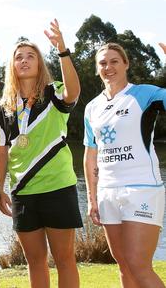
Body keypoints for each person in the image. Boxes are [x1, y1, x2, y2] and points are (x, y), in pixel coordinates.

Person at [0, 19, 81, 288]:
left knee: (64, 259)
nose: (24, 60)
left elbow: (73, 91)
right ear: (12, 66)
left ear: (40, 63)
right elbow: (0, 150)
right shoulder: (4, 107)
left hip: (58, 187)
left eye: (31, 56)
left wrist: (63, 50)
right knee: (35, 261)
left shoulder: (53, 92)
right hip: (23, 192)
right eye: (19, 57)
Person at [83, 42, 166, 288]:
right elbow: (90, 154)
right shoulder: (92, 107)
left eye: (114, 61)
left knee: (138, 265)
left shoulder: (144, 94)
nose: (108, 67)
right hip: (108, 191)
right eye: (103, 63)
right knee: (123, 265)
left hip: (142, 188)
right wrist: (91, 197)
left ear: (126, 64)